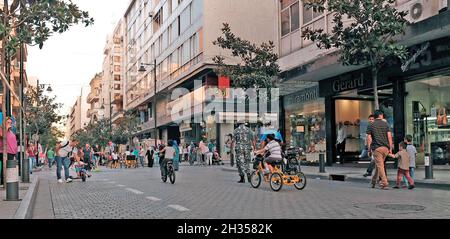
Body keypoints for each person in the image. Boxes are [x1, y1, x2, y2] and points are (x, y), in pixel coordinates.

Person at [367, 110, 393, 190]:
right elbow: (389, 137)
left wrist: (369, 149)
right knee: (379, 166)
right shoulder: (386, 124)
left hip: (377, 148)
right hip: (385, 148)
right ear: (381, 115)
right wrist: (390, 148)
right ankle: (373, 182)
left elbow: (369, 138)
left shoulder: (371, 125)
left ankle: (384, 183)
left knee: (380, 166)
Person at [0, 117, 18, 187]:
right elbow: (2, 136)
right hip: (4, 151)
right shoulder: (1, 129)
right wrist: (6, 128)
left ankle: (7, 182)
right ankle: (2, 182)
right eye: (8, 122)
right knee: (5, 167)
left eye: (10, 123)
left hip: (12, 152)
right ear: (4, 123)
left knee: (9, 168)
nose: (10, 124)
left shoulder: (11, 131)